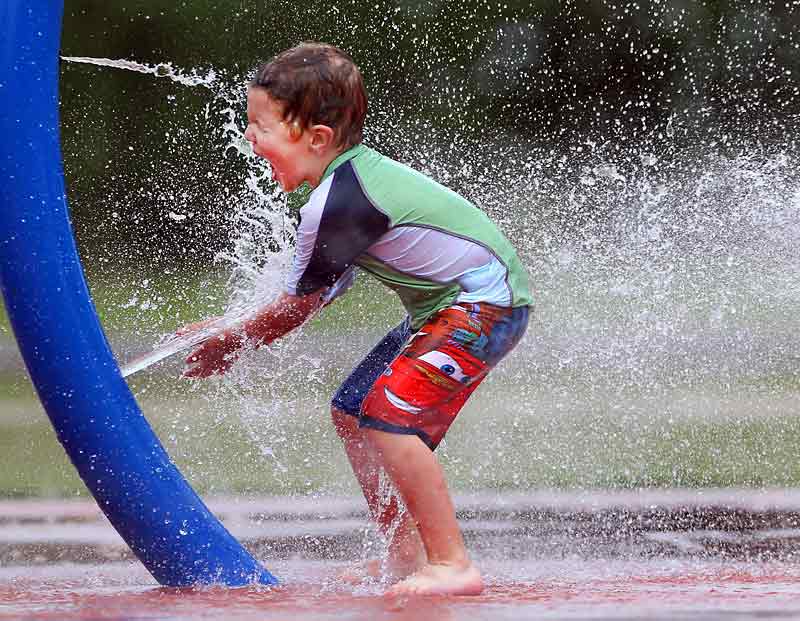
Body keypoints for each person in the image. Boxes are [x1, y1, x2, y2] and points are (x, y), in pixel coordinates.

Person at [184, 42, 532, 596]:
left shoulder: (343, 200)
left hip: (484, 307)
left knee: (389, 418)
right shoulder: (343, 188)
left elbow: (297, 307)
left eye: (263, 127)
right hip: (451, 308)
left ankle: (452, 564)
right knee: (354, 410)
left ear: (316, 138)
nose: (250, 138)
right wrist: (231, 327)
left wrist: (234, 339)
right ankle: (405, 555)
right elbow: (322, 291)